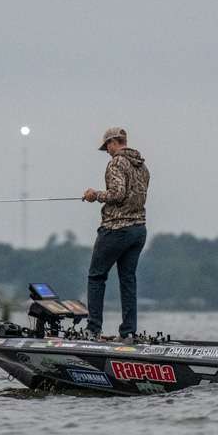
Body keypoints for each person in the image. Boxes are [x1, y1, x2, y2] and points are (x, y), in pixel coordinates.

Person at [81, 127, 150, 338]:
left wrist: (95, 195)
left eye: (107, 147)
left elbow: (118, 194)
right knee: (127, 279)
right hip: (138, 230)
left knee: (96, 276)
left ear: (113, 142)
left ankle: (93, 330)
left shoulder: (116, 163)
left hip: (116, 229)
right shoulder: (142, 166)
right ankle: (128, 333)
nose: (107, 152)